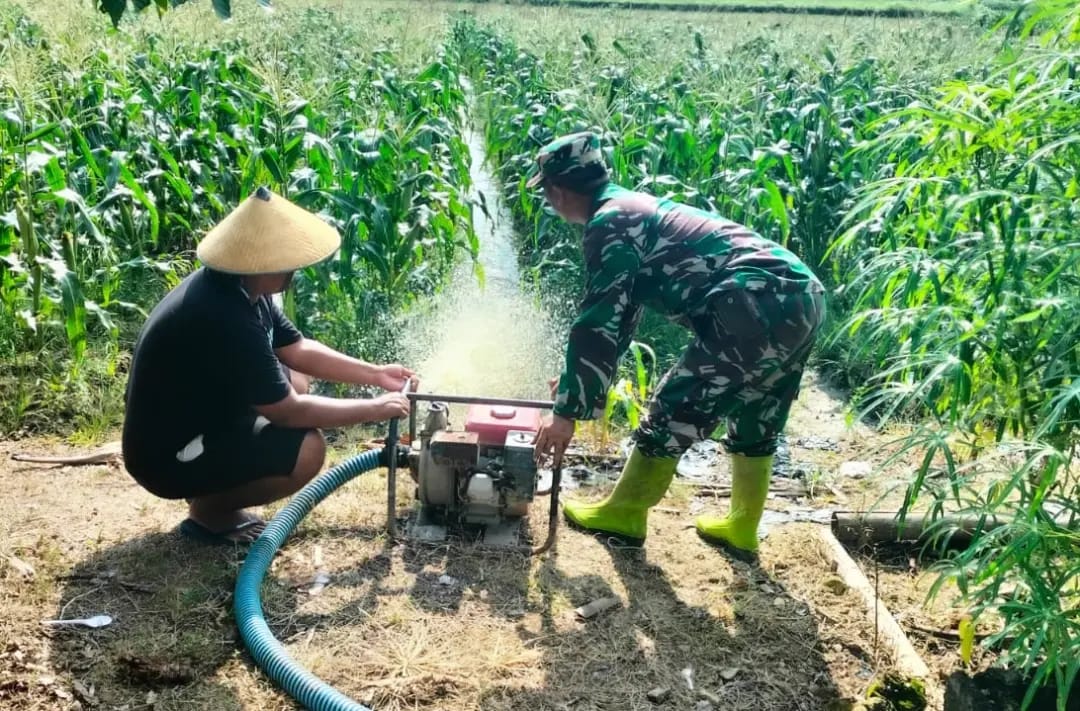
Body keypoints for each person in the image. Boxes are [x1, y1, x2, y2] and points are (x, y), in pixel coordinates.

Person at [530, 132, 826, 560]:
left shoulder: (609, 223)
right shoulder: (629, 207)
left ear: (557, 191)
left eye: (546, 194)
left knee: (676, 403)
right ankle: (742, 526)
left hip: (753, 297)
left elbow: (598, 318)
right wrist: (583, 383)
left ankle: (626, 512)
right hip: (801, 295)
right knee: (759, 406)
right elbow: (623, 315)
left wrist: (565, 413)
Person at [121, 187, 417, 545]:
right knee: (308, 449)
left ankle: (213, 488)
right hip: (165, 457)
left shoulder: (240, 289)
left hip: (193, 421)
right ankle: (209, 512)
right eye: (288, 262)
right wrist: (373, 408)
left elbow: (296, 348)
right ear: (263, 262)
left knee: (296, 380)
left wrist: (374, 373)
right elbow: (287, 412)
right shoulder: (225, 315)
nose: (295, 270)